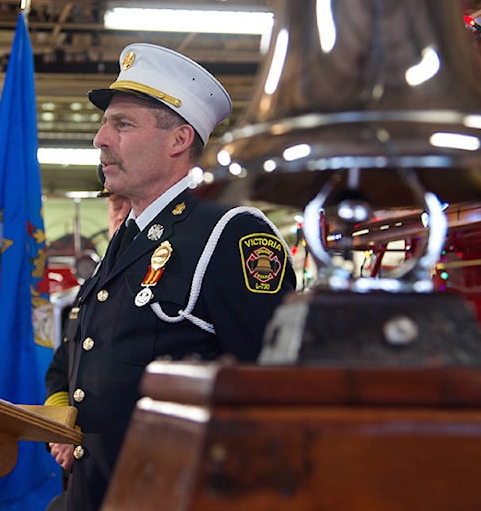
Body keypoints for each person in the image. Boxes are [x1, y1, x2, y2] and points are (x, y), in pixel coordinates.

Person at [44, 43, 298, 509]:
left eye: (121, 124)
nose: (100, 139)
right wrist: (64, 418)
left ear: (179, 140)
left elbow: (272, 393)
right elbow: (78, 354)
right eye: (105, 124)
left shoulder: (230, 232)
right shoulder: (128, 239)